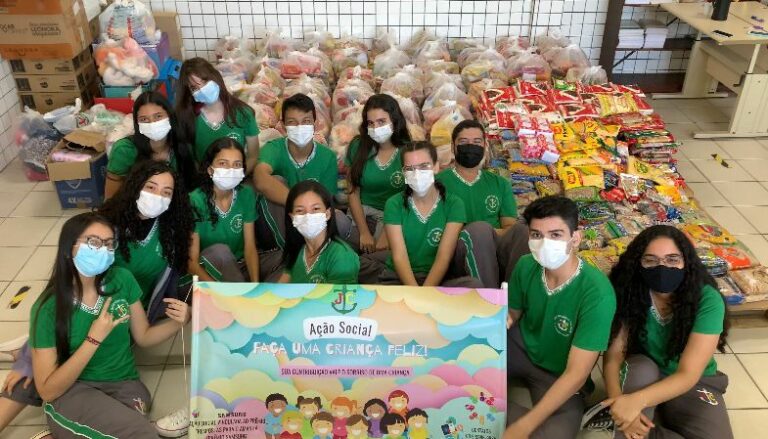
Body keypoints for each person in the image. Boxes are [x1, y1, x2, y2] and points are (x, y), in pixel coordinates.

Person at [23, 212, 187, 437]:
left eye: (109, 244)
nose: (103, 250)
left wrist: (181, 322)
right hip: (75, 389)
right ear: (68, 247)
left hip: (126, 385)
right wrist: (94, 338)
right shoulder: (47, 309)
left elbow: (144, 336)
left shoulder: (122, 279)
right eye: (93, 242)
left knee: (126, 426)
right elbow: (48, 390)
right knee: (142, 434)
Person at [583, 225, 733, 439]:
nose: (662, 268)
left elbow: (688, 374)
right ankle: (622, 422)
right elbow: (613, 357)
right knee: (636, 390)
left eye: (672, 259)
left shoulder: (707, 300)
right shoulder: (629, 290)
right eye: (651, 260)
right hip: (644, 370)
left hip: (693, 380)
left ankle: (641, 426)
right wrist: (618, 402)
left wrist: (637, 401)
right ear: (638, 263)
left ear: (686, 263)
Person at [504, 196, 616, 439]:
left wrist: (525, 426)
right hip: (520, 347)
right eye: (536, 235)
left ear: (575, 238)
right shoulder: (526, 265)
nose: (544, 243)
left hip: (560, 373)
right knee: (459, 379)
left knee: (555, 434)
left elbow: (576, 374)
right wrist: (502, 321)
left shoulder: (597, 293)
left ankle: (500, 415)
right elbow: (514, 311)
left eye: (555, 235)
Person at [254, 93, 351, 278]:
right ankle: (290, 255)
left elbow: (327, 202)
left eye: (306, 121)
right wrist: (297, 204)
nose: (300, 127)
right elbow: (260, 177)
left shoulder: (327, 157)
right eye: (293, 122)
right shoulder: (273, 148)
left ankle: (314, 254)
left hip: (311, 223)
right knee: (276, 181)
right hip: (282, 219)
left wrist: (307, 210)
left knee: (342, 221)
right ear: (282, 126)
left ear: (315, 123)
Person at [373, 141, 485, 287]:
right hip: (399, 278)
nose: (417, 174)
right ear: (403, 173)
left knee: (472, 285)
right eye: (410, 169)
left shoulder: (453, 204)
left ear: (436, 167)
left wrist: (425, 293)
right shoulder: (394, 204)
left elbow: (444, 256)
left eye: (424, 166)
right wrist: (415, 292)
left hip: (440, 279)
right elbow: (399, 256)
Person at [436, 120, 530, 286]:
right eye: (463, 142)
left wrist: (488, 234)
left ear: (485, 146)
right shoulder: (438, 183)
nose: (470, 147)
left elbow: (509, 228)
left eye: (476, 142)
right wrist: (479, 232)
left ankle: (516, 296)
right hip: (456, 251)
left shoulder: (500, 183)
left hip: (495, 249)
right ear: (453, 147)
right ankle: (490, 301)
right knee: (478, 231)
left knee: (523, 230)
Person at [100, 160, 195, 312]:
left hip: (148, 307)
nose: (157, 196)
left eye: (166, 192)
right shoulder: (107, 226)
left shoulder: (170, 228)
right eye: (151, 187)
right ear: (136, 186)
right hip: (107, 308)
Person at [345, 94, 410, 253]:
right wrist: (364, 232)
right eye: (371, 123)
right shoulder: (358, 146)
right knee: (338, 228)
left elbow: (410, 196)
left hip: (394, 217)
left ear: (394, 121)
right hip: (361, 214)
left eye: (381, 121)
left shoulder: (408, 151)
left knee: (388, 249)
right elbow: (352, 191)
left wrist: (387, 233)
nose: (376, 128)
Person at [188, 138, 260, 282]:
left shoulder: (246, 194)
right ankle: (239, 299)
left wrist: (255, 284)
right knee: (221, 251)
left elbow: (250, 247)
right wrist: (219, 292)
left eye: (237, 165)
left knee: (281, 260)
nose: (230, 170)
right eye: (223, 164)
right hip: (207, 272)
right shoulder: (194, 200)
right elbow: (191, 263)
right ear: (210, 169)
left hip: (239, 264)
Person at [105, 91, 197, 199]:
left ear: (170, 116)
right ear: (137, 123)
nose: (152, 123)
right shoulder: (125, 150)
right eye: (144, 119)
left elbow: (190, 186)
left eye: (158, 116)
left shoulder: (182, 146)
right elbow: (110, 198)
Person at [176, 57, 260, 170]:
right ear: (189, 93)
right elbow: (192, 161)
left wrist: (238, 178)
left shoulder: (244, 113)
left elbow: (253, 156)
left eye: (204, 81)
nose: (202, 89)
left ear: (215, 77)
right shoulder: (187, 118)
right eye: (194, 88)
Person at [279, 181, 360, 284]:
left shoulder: (341, 255)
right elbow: (280, 291)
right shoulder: (296, 251)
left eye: (315, 209)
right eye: (300, 211)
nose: (308, 216)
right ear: (292, 217)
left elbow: (339, 298)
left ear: (327, 214)